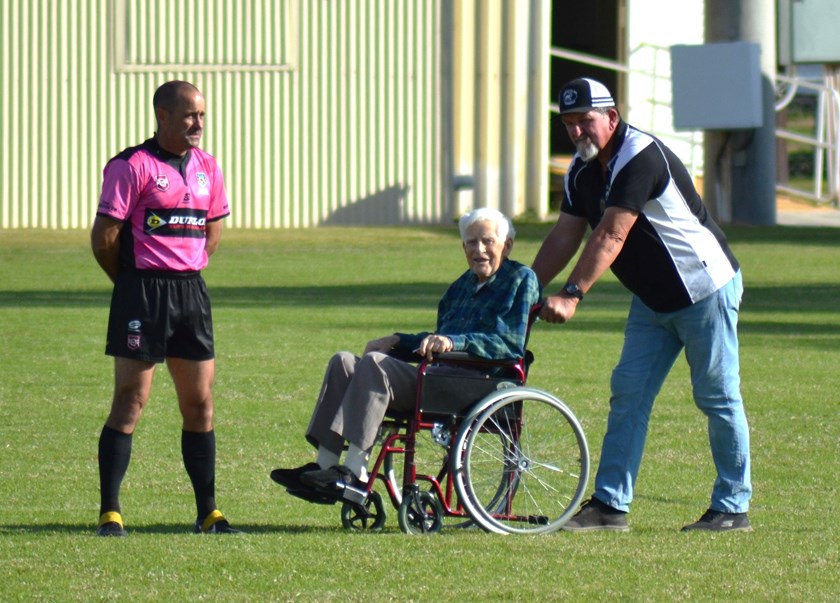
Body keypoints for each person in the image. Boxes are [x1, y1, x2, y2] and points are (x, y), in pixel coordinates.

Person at [532, 78, 751, 532]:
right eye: (569, 124)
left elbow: (611, 233)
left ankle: (733, 507)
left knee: (717, 396)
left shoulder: (640, 156)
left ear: (612, 117)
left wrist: (572, 295)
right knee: (628, 395)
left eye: (585, 121)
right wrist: (524, 288)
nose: (578, 132)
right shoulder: (580, 169)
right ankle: (610, 506)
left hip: (703, 290)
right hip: (653, 300)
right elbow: (564, 234)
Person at [270, 208, 541, 504]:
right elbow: (435, 341)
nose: (479, 250)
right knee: (344, 362)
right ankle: (323, 468)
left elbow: (509, 345)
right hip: (437, 377)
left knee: (375, 365)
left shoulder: (520, 279)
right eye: (471, 243)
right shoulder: (460, 288)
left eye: (487, 241)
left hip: (475, 385)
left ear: (508, 245)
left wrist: (454, 342)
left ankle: (355, 473)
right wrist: (397, 340)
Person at [90, 80, 237, 536]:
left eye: (203, 116)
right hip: (142, 293)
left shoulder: (208, 167)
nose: (199, 124)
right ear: (163, 116)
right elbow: (105, 239)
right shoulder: (130, 165)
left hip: (190, 294)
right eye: (191, 115)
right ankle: (110, 512)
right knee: (131, 402)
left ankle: (208, 512)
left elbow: (211, 234)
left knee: (201, 405)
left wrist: (184, 270)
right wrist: (131, 285)